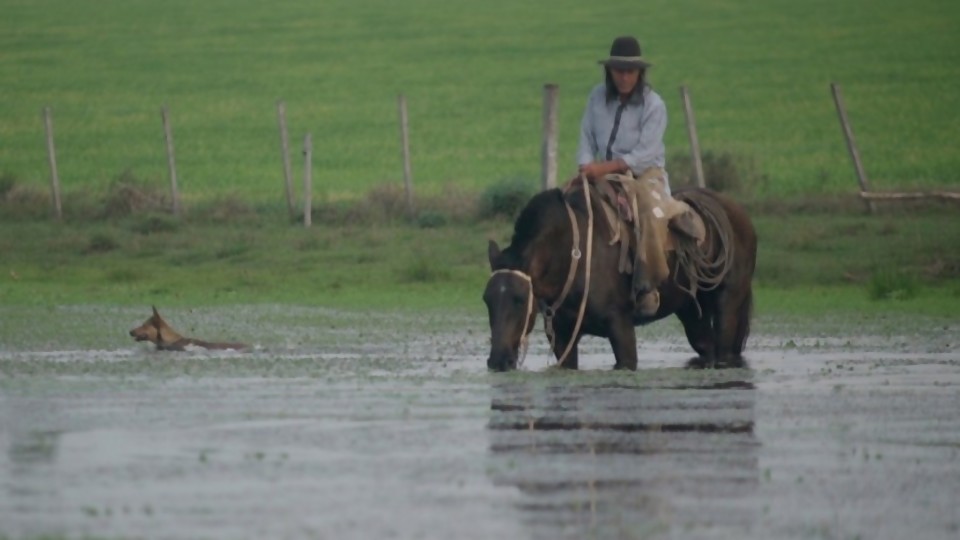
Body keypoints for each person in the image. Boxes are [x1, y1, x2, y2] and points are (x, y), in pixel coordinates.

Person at [575, 35, 697, 316]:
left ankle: (648, 285)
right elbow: (585, 137)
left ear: (640, 73)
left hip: (645, 174)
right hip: (602, 172)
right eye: (619, 70)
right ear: (610, 71)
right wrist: (585, 169)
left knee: (648, 212)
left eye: (630, 71)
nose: (624, 77)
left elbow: (644, 154)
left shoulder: (654, 105)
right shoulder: (596, 98)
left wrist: (603, 168)